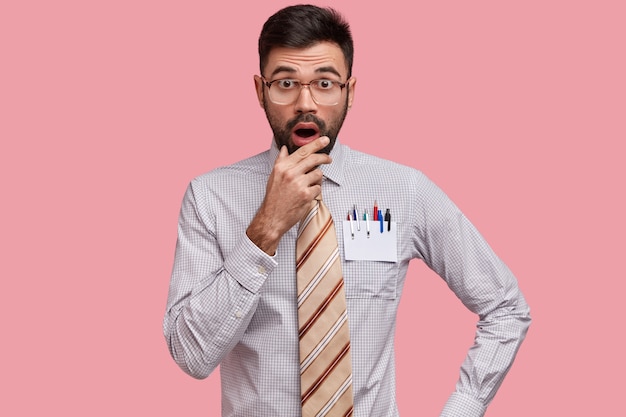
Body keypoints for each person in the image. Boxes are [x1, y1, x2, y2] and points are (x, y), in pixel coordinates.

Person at [163, 4, 531, 417]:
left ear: (350, 92)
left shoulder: (403, 191)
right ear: (260, 90)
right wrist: (266, 227)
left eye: (325, 83)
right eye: (286, 83)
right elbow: (191, 356)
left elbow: (506, 307)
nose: (306, 103)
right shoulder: (210, 197)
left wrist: (464, 407)